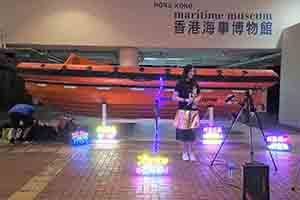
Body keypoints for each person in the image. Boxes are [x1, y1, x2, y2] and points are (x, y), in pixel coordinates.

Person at [172, 65, 201, 161]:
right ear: (186, 72)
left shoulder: (195, 83)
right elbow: (174, 97)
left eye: (193, 71)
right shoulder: (180, 83)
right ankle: (184, 152)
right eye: (191, 71)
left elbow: (199, 95)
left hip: (193, 110)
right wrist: (185, 100)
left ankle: (191, 152)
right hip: (183, 110)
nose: (193, 73)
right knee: (184, 132)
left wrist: (196, 99)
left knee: (192, 133)